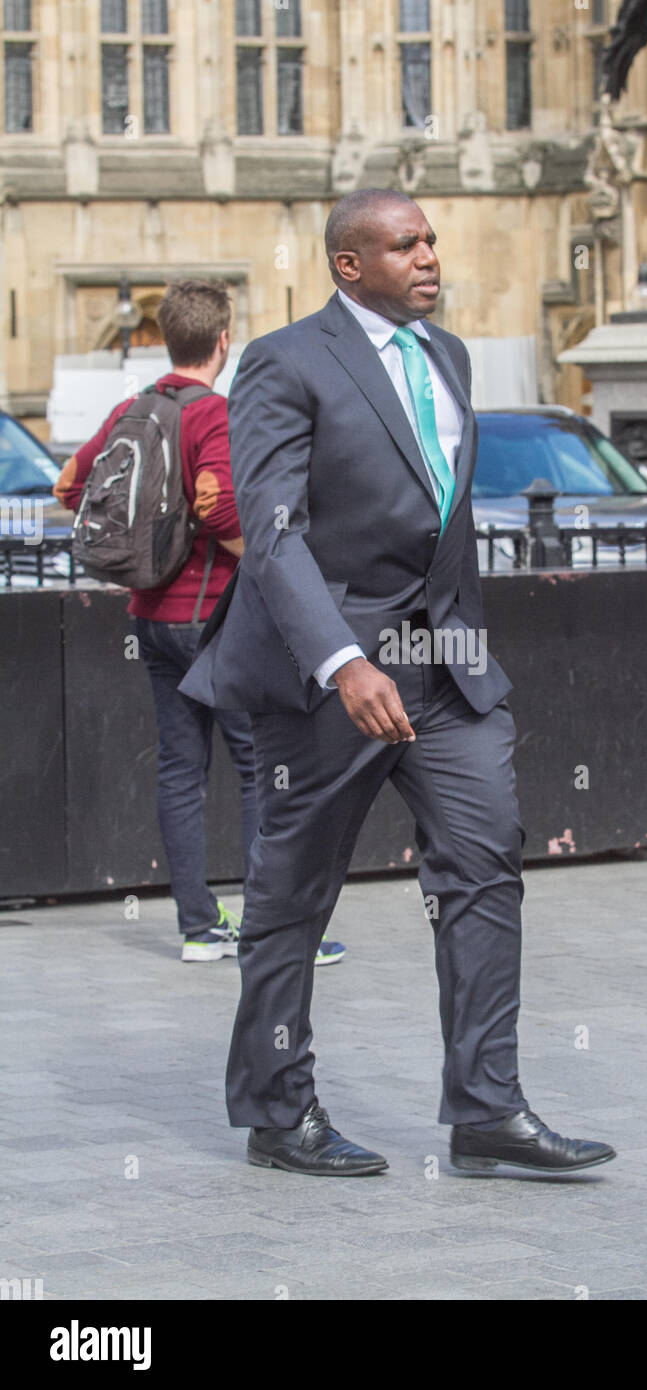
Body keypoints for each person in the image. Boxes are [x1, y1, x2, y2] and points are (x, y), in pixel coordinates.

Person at [179, 189, 617, 1177]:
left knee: (483, 864)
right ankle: (275, 1109)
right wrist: (341, 659)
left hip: (447, 670)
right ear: (348, 264)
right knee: (293, 895)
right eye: (403, 244)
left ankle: (486, 1110)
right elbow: (273, 533)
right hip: (329, 675)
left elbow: (443, 517)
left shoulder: (446, 355)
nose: (427, 255)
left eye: (429, 239)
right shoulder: (285, 362)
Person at [53, 278, 345, 967]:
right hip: (213, 619)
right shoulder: (214, 413)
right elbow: (218, 509)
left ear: (165, 336)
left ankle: (197, 928)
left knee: (181, 769)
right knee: (256, 766)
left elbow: (69, 482)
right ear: (223, 341)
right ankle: (267, 931)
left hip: (149, 617)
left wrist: (147, 541)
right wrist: (273, 568)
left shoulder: (135, 407)